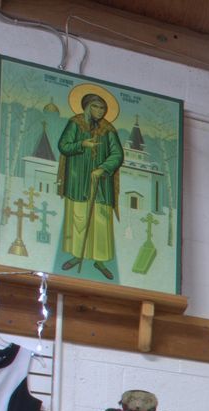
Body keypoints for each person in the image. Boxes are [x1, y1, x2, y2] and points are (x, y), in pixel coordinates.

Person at [56, 86, 125, 280]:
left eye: (103, 108)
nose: (100, 111)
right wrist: (81, 144)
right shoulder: (75, 124)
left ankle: (100, 261)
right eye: (96, 107)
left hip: (101, 185)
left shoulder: (108, 130)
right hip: (78, 182)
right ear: (87, 107)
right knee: (78, 218)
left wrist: (103, 168)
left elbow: (117, 154)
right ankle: (77, 256)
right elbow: (63, 146)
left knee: (101, 221)